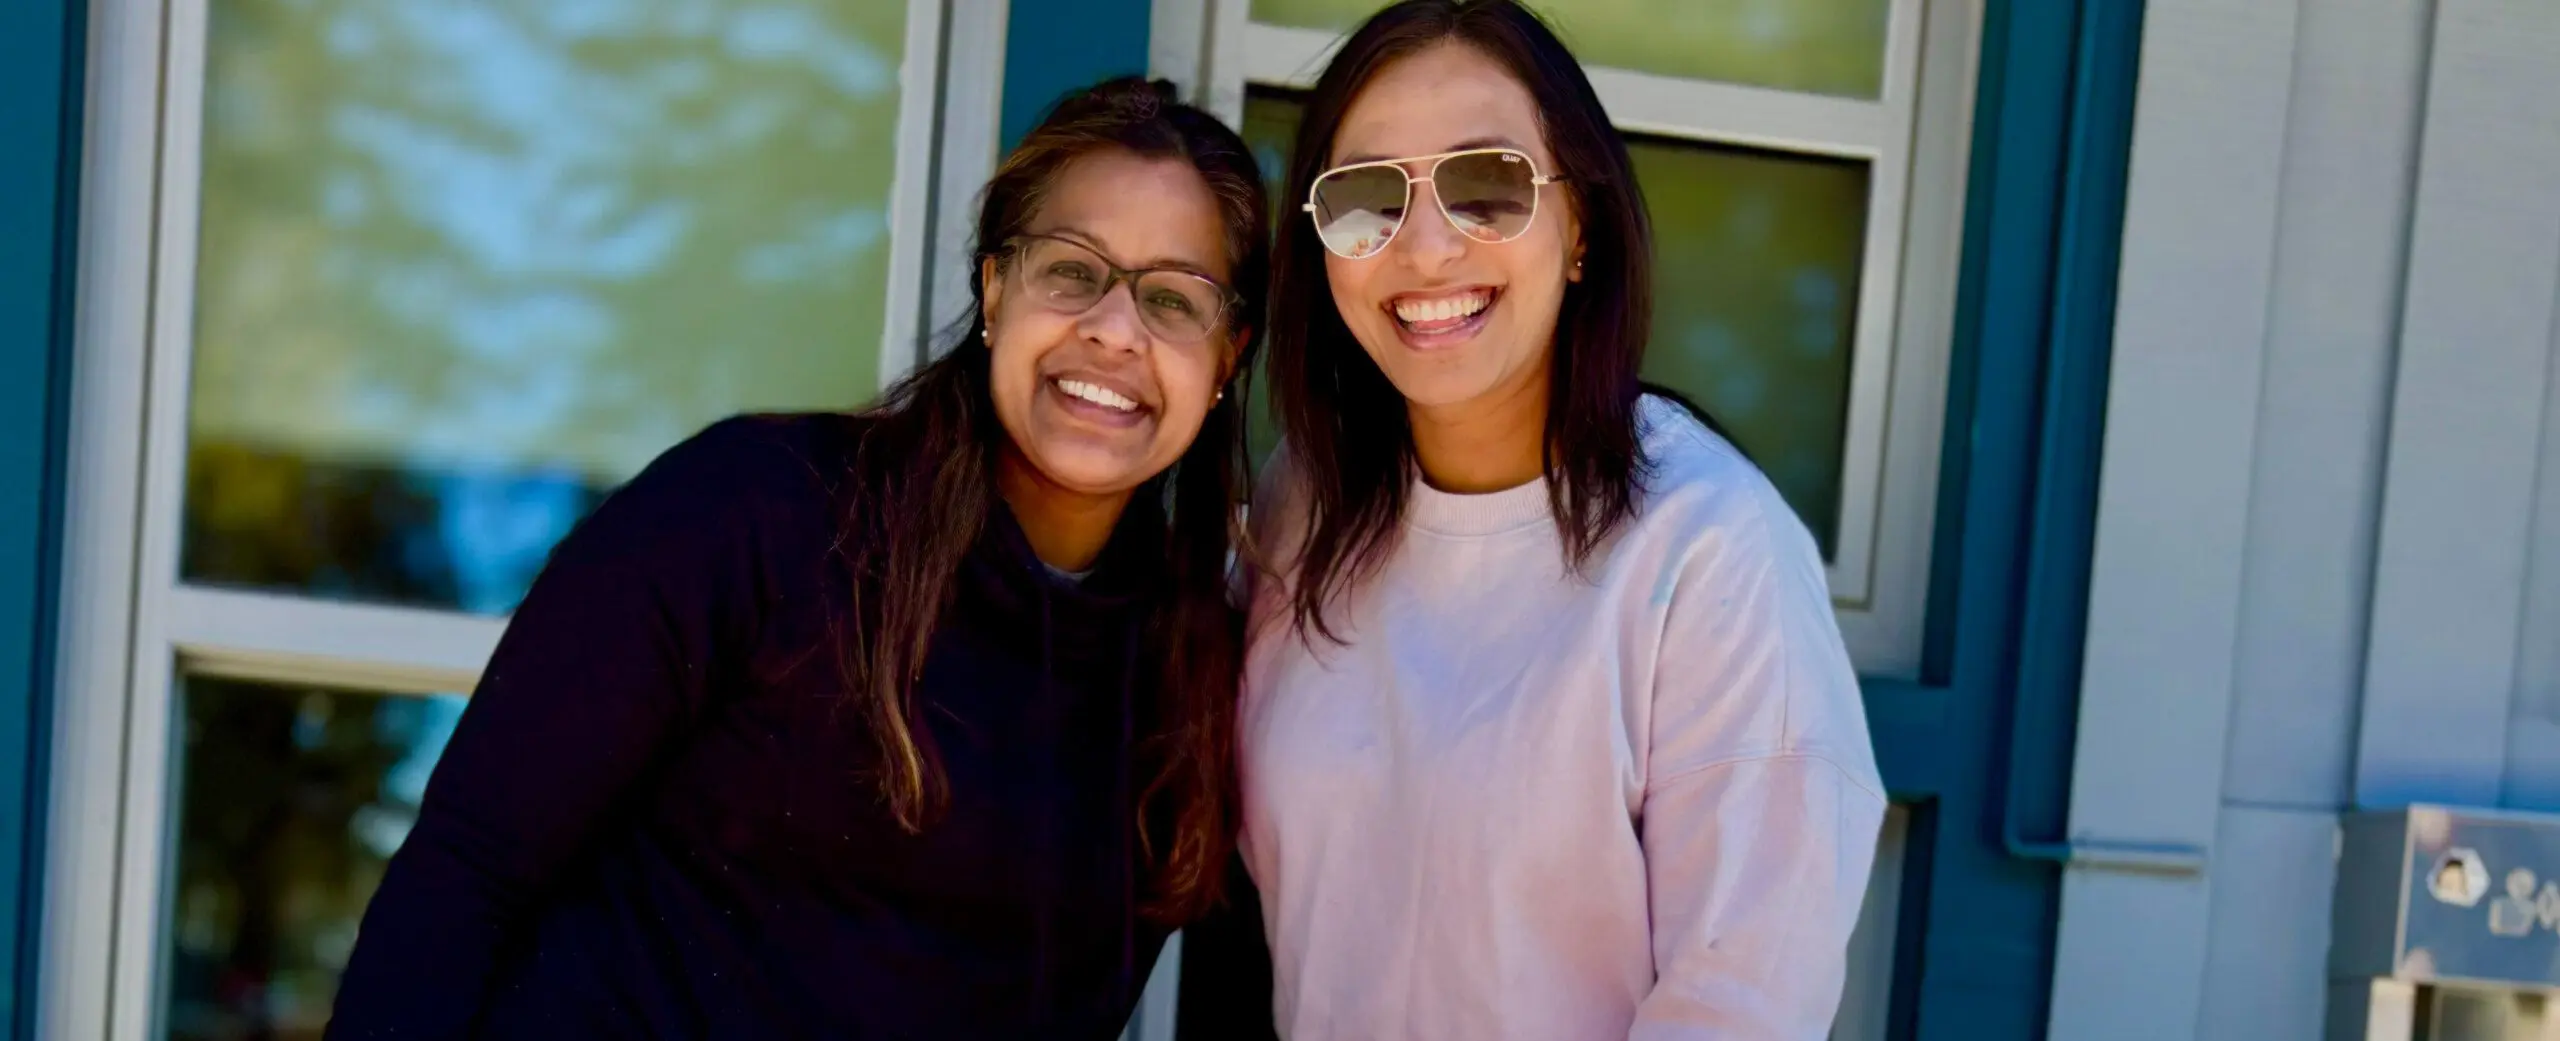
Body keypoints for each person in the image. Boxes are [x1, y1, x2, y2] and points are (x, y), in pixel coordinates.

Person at [326, 76, 1267, 1040]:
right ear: (994, 288)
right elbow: (466, 872)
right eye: (1072, 272)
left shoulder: (1189, 682)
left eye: (1173, 298)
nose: (1116, 330)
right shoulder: (756, 512)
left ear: (1228, 357)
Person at [1199, 2, 1887, 1038]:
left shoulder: (1707, 548)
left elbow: (1740, 998)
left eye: (1486, 189)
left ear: (1581, 228)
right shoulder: (1306, 504)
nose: (1424, 248)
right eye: (1365, 200)